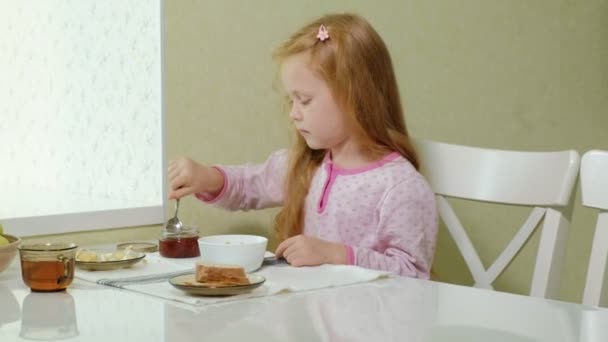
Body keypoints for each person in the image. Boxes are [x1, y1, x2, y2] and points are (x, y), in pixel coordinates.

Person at [168, 13, 438, 278]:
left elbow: (413, 275)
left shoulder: (400, 187)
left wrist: (335, 255)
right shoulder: (306, 164)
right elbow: (251, 184)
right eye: (291, 101)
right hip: (312, 314)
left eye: (305, 100)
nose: (294, 113)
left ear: (356, 97)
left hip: (367, 320)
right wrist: (206, 178)